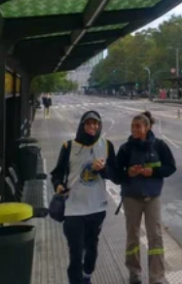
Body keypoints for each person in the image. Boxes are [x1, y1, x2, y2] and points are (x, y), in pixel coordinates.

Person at [50, 111, 116, 284]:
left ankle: (87, 275)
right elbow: (57, 174)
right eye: (88, 123)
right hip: (73, 208)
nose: (92, 127)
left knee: (92, 248)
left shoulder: (107, 145)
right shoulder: (68, 146)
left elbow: (115, 176)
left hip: (97, 207)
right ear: (82, 125)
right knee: (76, 252)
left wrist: (102, 170)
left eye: (96, 123)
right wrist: (58, 185)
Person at [115, 111, 176, 284]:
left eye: (138, 126)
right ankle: (134, 273)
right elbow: (117, 174)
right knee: (132, 235)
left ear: (147, 127)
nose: (134, 129)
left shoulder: (159, 146)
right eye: (132, 126)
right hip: (131, 197)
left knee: (155, 236)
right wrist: (128, 172)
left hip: (153, 197)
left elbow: (171, 167)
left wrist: (154, 172)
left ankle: (157, 277)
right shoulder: (125, 149)